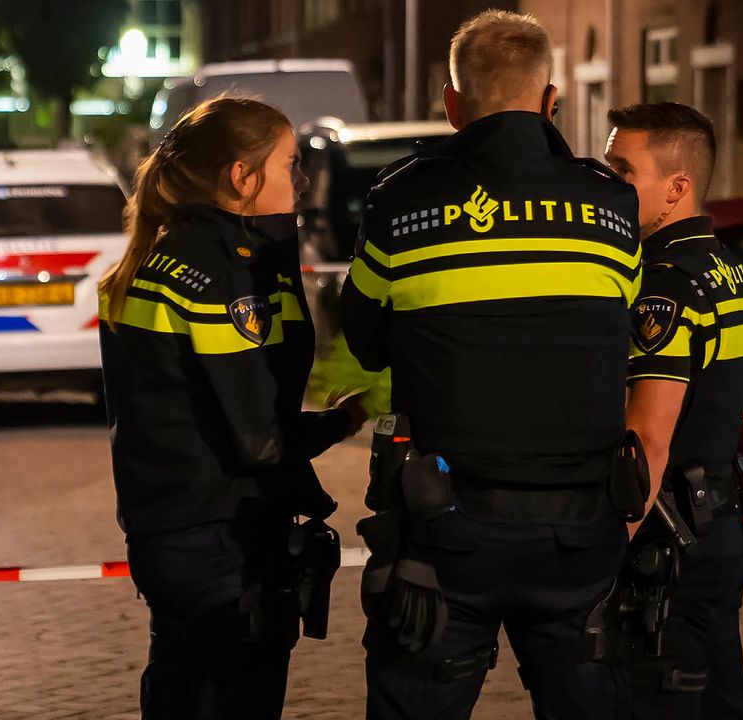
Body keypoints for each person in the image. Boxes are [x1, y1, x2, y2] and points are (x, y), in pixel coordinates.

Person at [341, 11, 643, 719]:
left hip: (446, 531)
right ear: (551, 100)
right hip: (580, 531)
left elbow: (365, 342)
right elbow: (622, 333)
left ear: (453, 104)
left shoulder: (402, 202)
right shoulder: (611, 206)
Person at [97, 96, 366, 720]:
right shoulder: (225, 276)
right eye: (289, 164)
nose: (302, 181)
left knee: (178, 685)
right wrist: (346, 419)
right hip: (224, 538)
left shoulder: (161, 259)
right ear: (242, 177)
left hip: (165, 530)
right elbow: (260, 440)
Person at [605, 102, 743, 719]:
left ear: (677, 188)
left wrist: (604, 555)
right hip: (717, 525)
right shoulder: (733, 269)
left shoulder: (665, 285)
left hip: (666, 546)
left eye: (624, 170)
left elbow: (648, 438)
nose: (609, 182)